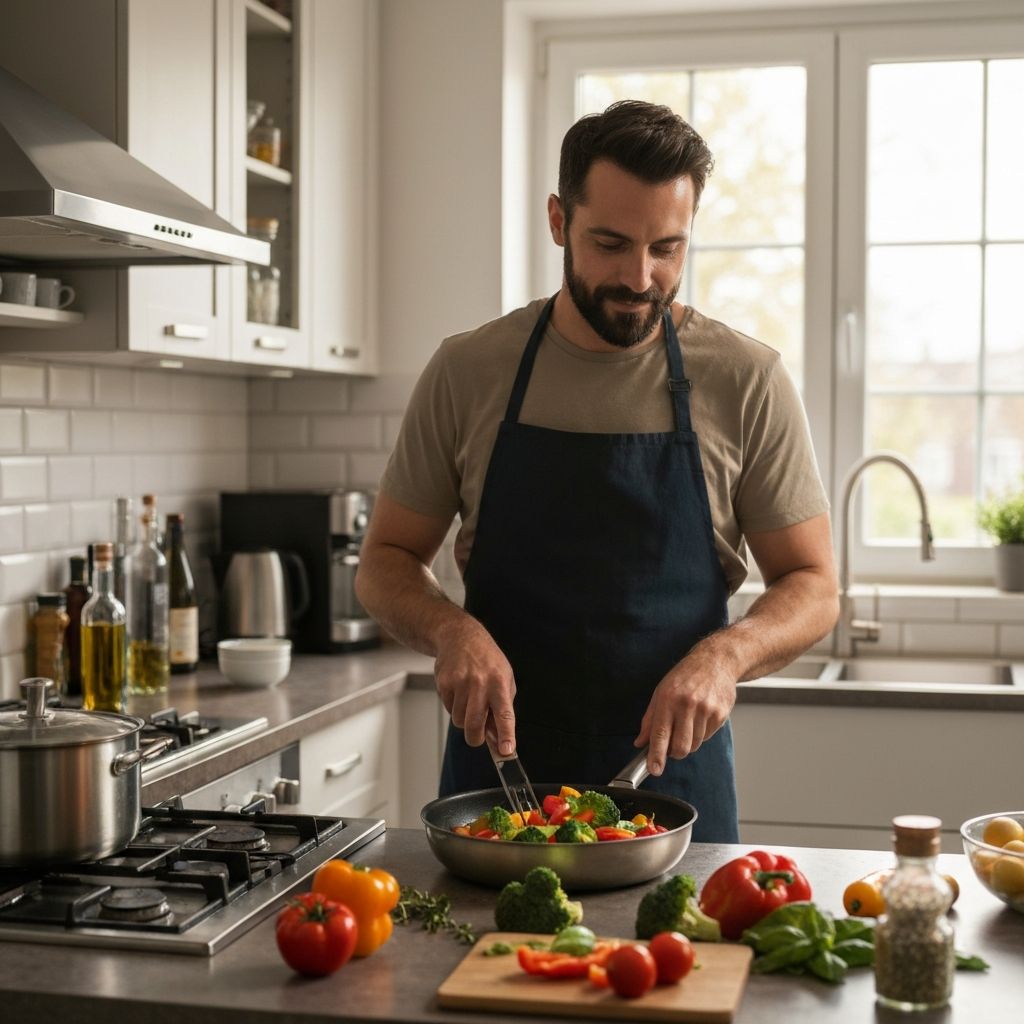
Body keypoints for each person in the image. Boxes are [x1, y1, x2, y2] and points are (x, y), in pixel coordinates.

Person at [356, 100, 839, 842]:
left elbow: (813, 586)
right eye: (610, 244)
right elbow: (383, 563)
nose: (640, 278)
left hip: (674, 799)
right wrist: (450, 630)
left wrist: (726, 657)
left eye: (667, 249)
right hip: (496, 797)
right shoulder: (469, 369)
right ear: (558, 221)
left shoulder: (746, 379)